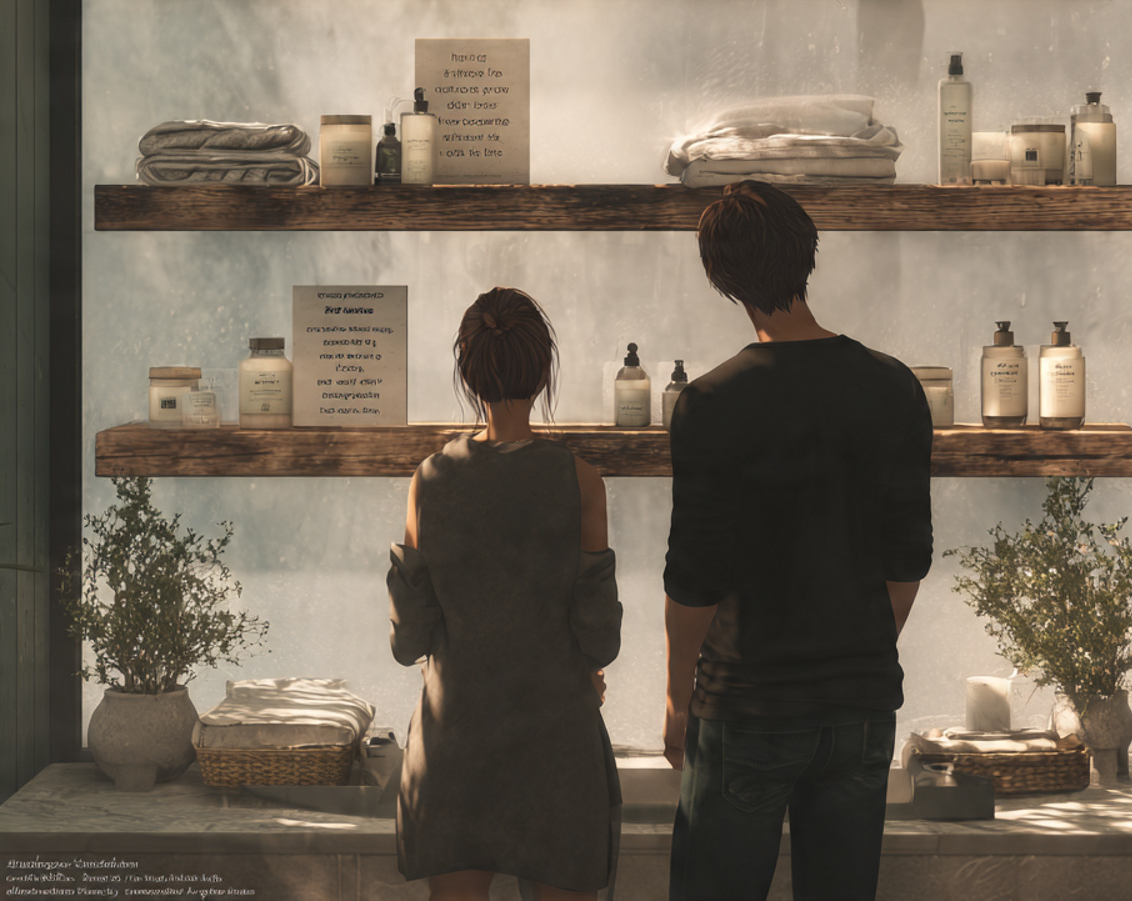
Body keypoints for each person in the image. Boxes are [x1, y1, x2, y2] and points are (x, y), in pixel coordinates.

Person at [662, 180, 933, 901]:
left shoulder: (711, 403)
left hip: (746, 705)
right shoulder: (894, 387)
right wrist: (857, 649)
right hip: (859, 707)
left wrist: (677, 696)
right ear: (806, 253)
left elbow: (694, 574)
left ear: (722, 277)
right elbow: (908, 555)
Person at [387, 287, 623, 901]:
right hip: (556, 748)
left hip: (455, 747)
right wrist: (579, 670)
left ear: (467, 373)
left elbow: (409, 641)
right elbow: (600, 637)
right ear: (543, 372)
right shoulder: (580, 481)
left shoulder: (429, 480)